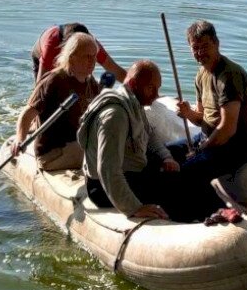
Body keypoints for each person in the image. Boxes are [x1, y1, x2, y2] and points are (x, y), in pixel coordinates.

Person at [79, 60, 218, 222]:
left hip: (130, 170)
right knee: (178, 185)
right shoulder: (115, 115)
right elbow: (107, 169)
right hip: (102, 189)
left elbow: (149, 135)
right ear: (133, 84)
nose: (156, 95)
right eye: (151, 88)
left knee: (182, 158)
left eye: (158, 89)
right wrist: (133, 208)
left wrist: (166, 157)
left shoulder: (132, 102)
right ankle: (196, 220)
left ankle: (212, 211)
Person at [172, 20, 247, 194]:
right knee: (165, 153)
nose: (200, 52)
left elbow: (227, 129)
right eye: (195, 48)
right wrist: (188, 113)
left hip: (236, 145)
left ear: (216, 43)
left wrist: (201, 149)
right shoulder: (201, 75)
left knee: (187, 170)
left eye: (205, 46)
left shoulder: (229, 76)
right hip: (207, 137)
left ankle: (199, 211)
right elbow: (201, 118)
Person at [11, 32, 100, 171]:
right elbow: (27, 113)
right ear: (72, 58)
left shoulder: (91, 83)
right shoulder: (54, 81)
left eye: (94, 56)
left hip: (77, 145)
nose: (93, 61)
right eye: (87, 57)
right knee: (95, 150)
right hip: (53, 153)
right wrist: (19, 139)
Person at [32, 23, 127, 84]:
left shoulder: (90, 44)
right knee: (49, 89)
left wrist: (135, 87)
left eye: (93, 56)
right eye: (87, 55)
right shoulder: (51, 46)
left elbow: (114, 69)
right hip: (42, 52)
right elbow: (41, 85)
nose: (92, 59)